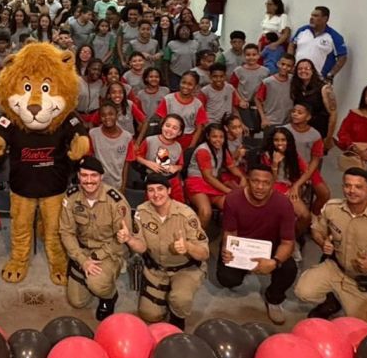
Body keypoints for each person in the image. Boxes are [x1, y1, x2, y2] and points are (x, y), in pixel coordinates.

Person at [295, 168, 367, 328]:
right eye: (347, 185)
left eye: (358, 187)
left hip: (362, 281)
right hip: (335, 268)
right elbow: (317, 229)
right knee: (303, 291)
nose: (352, 191)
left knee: (364, 331)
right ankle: (332, 301)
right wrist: (323, 242)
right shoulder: (332, 208)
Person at [118, 173, 209, 329]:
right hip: (157, 269)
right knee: (149, 315)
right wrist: (129, 240)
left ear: (169, 190)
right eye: (151, 190)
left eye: (160, 189)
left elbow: (204, 253)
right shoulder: (141, 211)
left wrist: (188, 246)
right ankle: (165, 291)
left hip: (185, 269)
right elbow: (143, 247)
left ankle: (177, 314)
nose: (156, 194)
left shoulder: (186, 214)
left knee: (180, 300)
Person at [218, 164, 297, 325]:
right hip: (241, 245)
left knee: (289, 268)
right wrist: (227, 249)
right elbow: (230, 233)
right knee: (227, 278)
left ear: (273, 183)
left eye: (265, 183)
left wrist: (274, 262)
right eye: (255, 181)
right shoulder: (233, 199)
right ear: (247, 181)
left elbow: (288, 242)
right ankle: (245, 269)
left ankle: (274, 299)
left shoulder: (284, 204)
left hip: (271, 246)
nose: (260, 187)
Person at [59, 156, 131, 320]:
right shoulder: (71, 197)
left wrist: (94, 257)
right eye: (84, 176)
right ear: (78, 176)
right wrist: (82, 259)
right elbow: (66, 232)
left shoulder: (116, 202)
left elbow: (122, 240)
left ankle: (109, 296)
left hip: (109, 251)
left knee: (97, 285)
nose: (89, 181)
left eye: (94, 176)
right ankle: (82, 271)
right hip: (84, 249)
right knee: (77, 301)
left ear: (101, 176)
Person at [186, 123, 247, 229]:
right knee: (206, 212)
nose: (218, 140)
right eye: (214, 136)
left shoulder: (222, 148)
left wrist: (242, 177)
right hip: (197, 183)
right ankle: (197, 240)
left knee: (232, 207)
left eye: (221, 137)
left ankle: (229, 237)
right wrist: (228, 191)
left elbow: (231, 166)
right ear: (208, 137)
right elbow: (208, 177)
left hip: (212, 184)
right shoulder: (203, 150)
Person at [289, 6, 347, 82]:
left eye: (315, 16)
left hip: (319, 79)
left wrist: (331, 75)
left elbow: (342, 57)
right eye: (312, 15)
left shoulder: (334, 37)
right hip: (297, 74)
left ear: (325, 19)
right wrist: (290, 64)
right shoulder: (302, 30)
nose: (311, 18)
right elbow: (292, 45)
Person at [290, 59, 337, 152]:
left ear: (312, 71)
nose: (303, 71)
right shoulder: (296, 87)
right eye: (300, 69)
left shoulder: (324, 88)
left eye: (307, 68)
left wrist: (329, 138)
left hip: (319, 132)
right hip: (301, 131)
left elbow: (333, 114)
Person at [88, 103, 136, 191]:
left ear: (116, 115)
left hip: (116, 184)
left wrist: (123, 185)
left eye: (111, 114)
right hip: (97, 184)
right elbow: (89, 159)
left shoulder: (127, 137)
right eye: (103, 115)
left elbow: (126, 164)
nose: (107, 118)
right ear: (99, 117)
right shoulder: (93, 134)